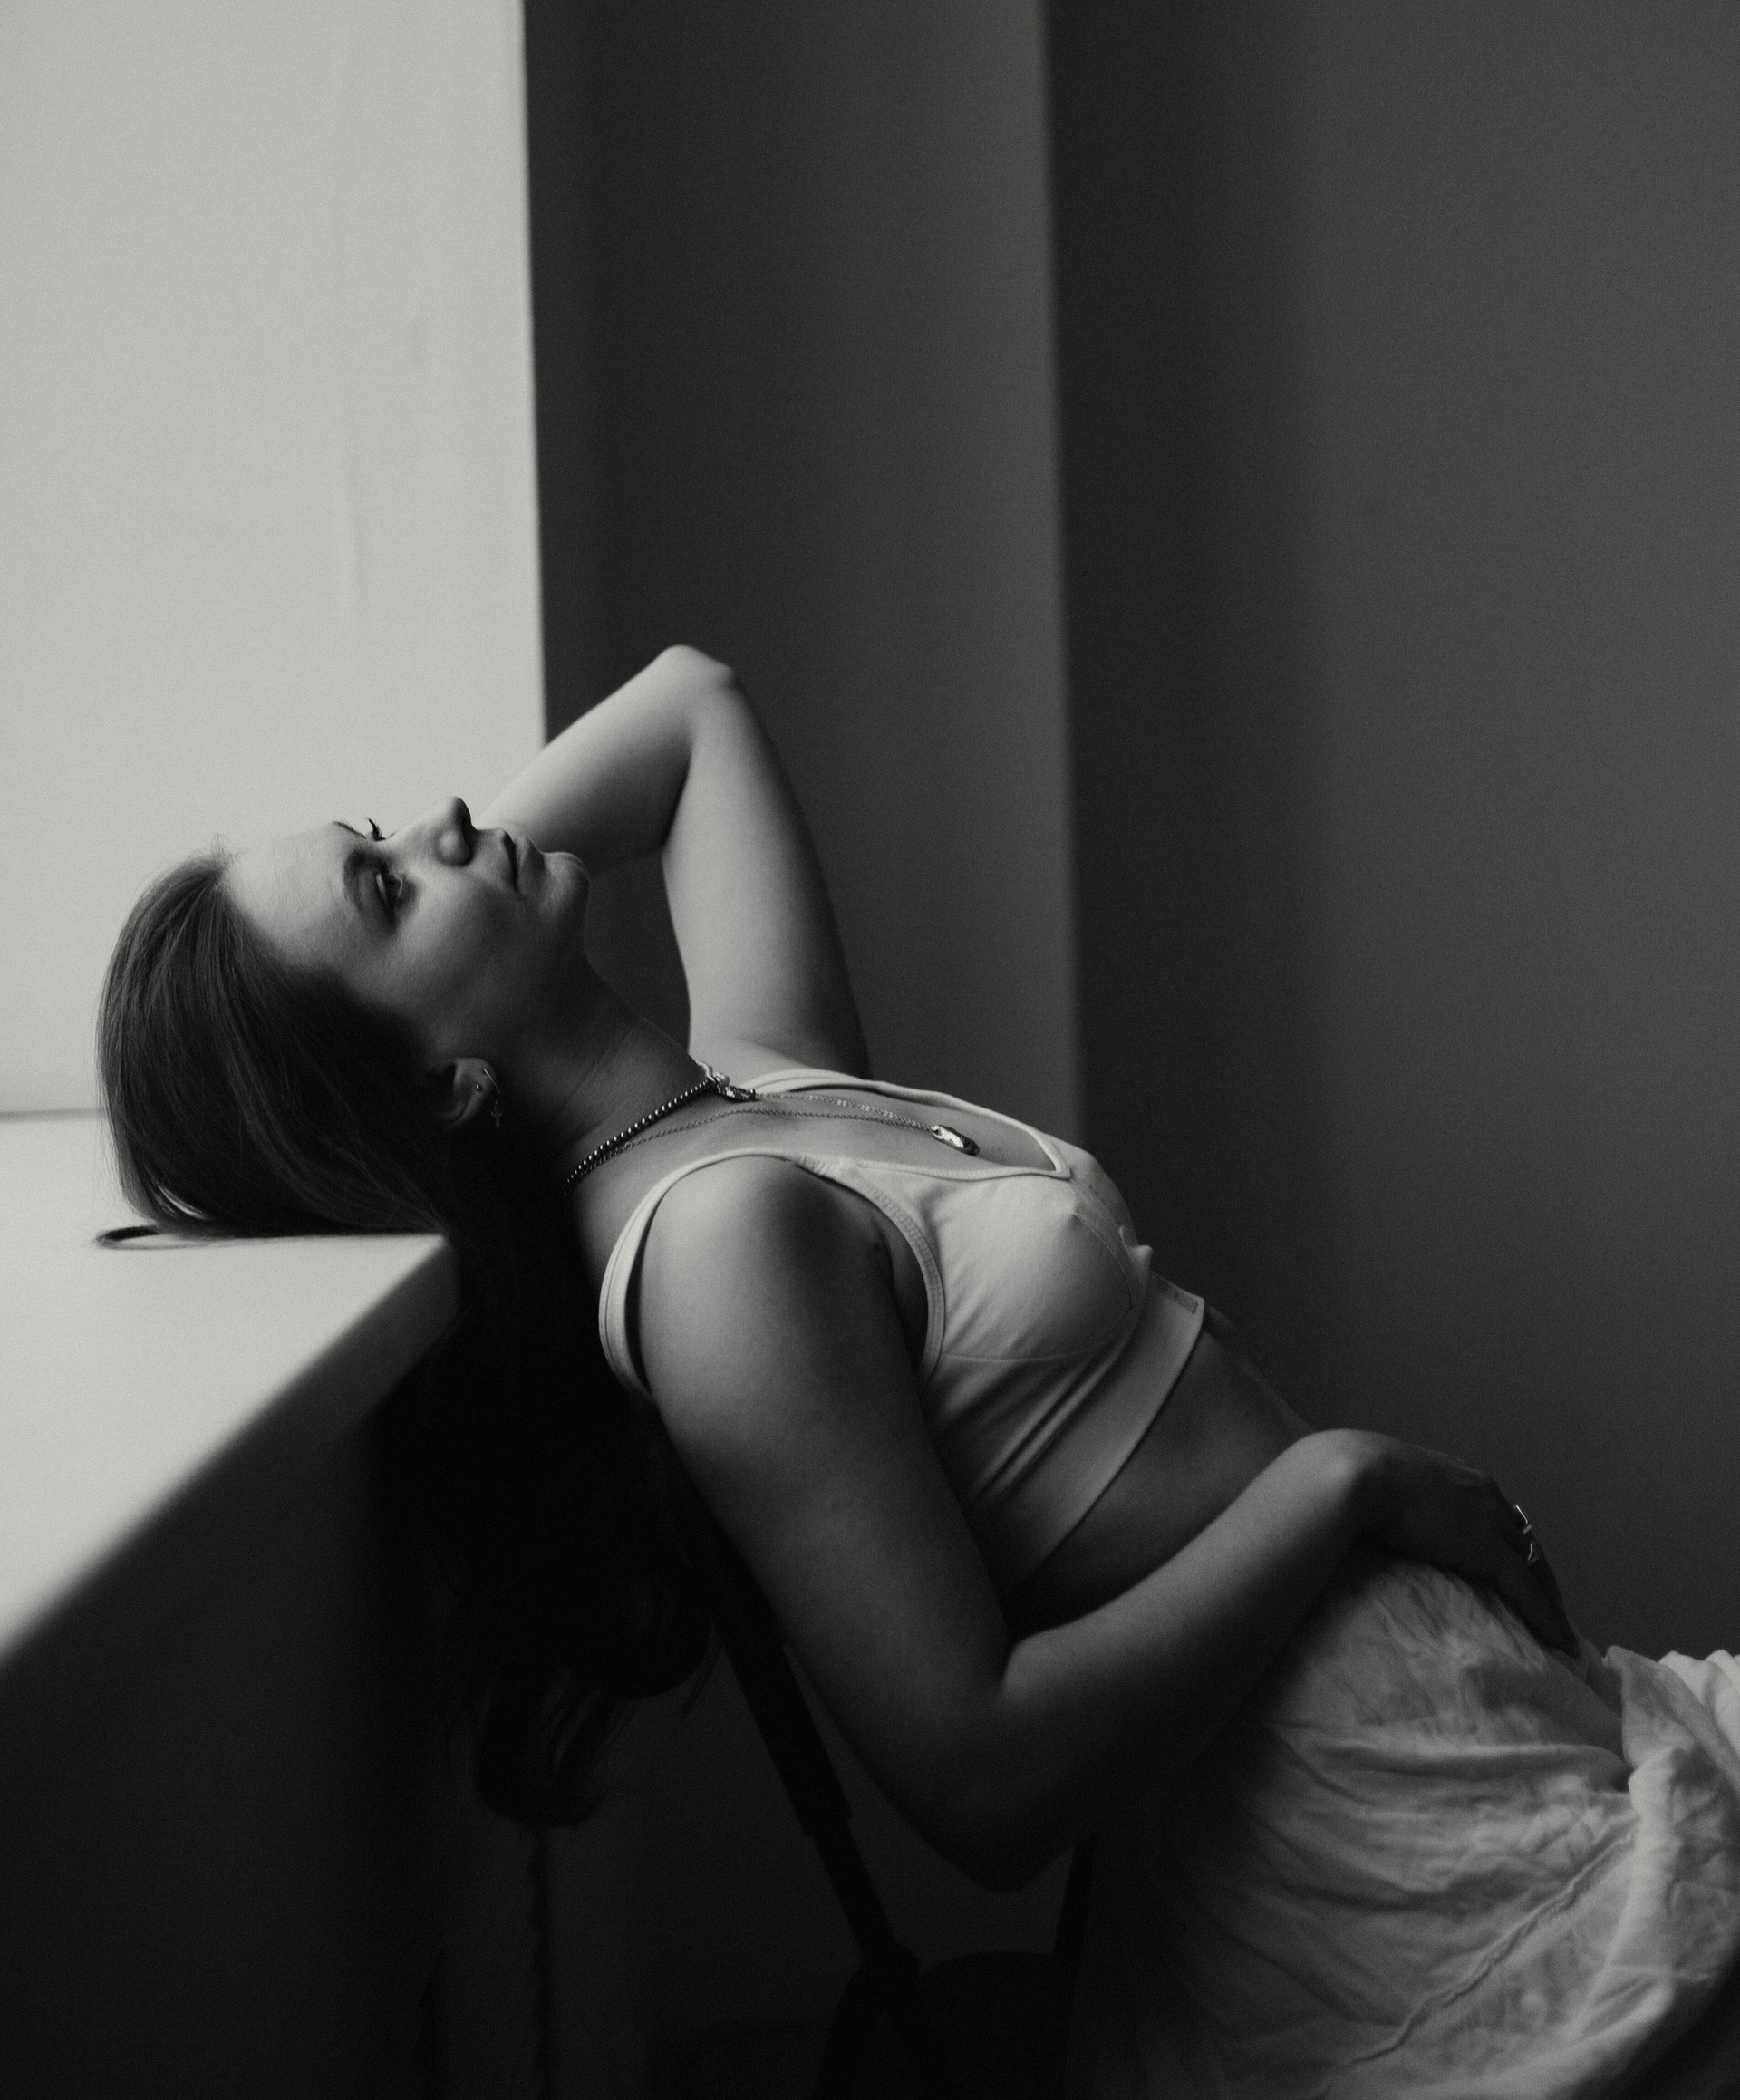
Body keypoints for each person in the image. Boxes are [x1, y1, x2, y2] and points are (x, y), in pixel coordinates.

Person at [100, 645, 1740, 2096]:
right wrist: (1340, 1483)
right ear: (438, 1090)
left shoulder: (751, 1096)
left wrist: (456, 921)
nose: (448, 817)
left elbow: (691, 707)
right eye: (386, 886)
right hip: (1387, 1857)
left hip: (1491, 1731)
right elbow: (980, 1775)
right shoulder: (716, 1252)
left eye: (384, 830)